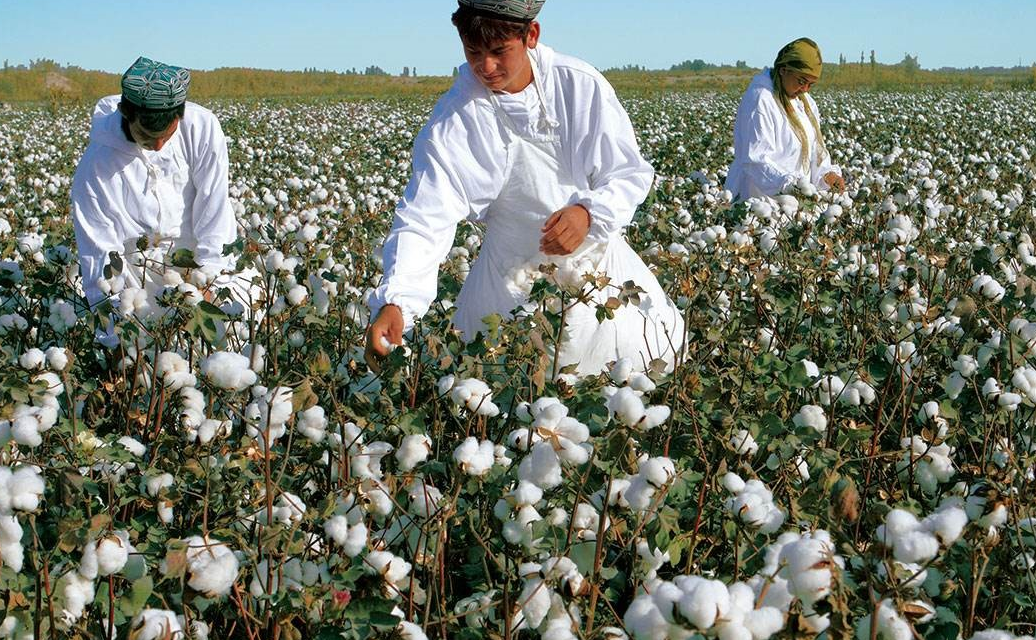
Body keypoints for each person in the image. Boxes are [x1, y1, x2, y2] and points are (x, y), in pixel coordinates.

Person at [365, 0, 683, 376]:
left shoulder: (579, 86)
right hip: (506, 283)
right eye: (473, 52)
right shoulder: (456, 120)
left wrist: (588, 213)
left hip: (597, 271)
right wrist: (397, 301)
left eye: (499, 51)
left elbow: (628, 173)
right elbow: (425, 216)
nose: (486, 66)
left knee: (625, 374)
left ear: (530, 35)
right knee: (507, 390)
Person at [71, 56, 237, 315]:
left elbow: (213, 207)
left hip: (201, 262)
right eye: (147, 136)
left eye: (166, 136)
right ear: (126, 114)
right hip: (137, 276)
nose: (158, 146)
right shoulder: (96, 167)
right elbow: (98, 252)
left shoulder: (202, 128)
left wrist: (209, 279)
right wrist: (114, 329)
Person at [725, 38, 844, 201]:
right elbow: (756, 161)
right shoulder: (761, 99)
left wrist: (827, 175)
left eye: (811, 84)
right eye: (801, 81)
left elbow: (814, 150)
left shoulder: (805, 102)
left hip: (793, 202)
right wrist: (789, 186)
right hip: (759, 204)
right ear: (783, 70)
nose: (805, 89)